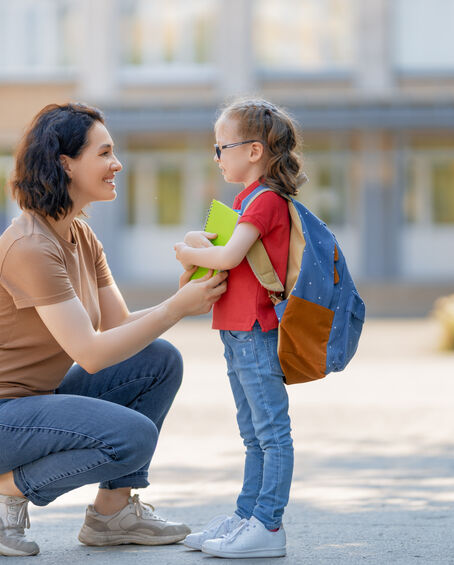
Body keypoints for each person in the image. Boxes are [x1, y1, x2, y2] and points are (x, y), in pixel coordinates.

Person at [0, 102, 228, 557]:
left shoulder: (80, 235)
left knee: (158, 359)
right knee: (134, 437)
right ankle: (1, 490)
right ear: (65, 164)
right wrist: (175, 308)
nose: (117, 164)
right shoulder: (30, 245)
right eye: (105, 153)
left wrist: (181, 300)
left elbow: (118, 328)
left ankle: (112, 514)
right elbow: (92, 354)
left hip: (37, 404)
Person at [173, 98, 307, 559]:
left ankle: (268, 526)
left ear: (253, 151)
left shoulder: (266, 200)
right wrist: (197, 244)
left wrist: (188, 253)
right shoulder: (246, 199)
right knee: (253, 433)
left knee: (271, 433)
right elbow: (230, 254)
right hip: (236, 329)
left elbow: (228, 257)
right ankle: (248, 515)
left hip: (255, 329)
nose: (217, 157)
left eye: (221, 148)